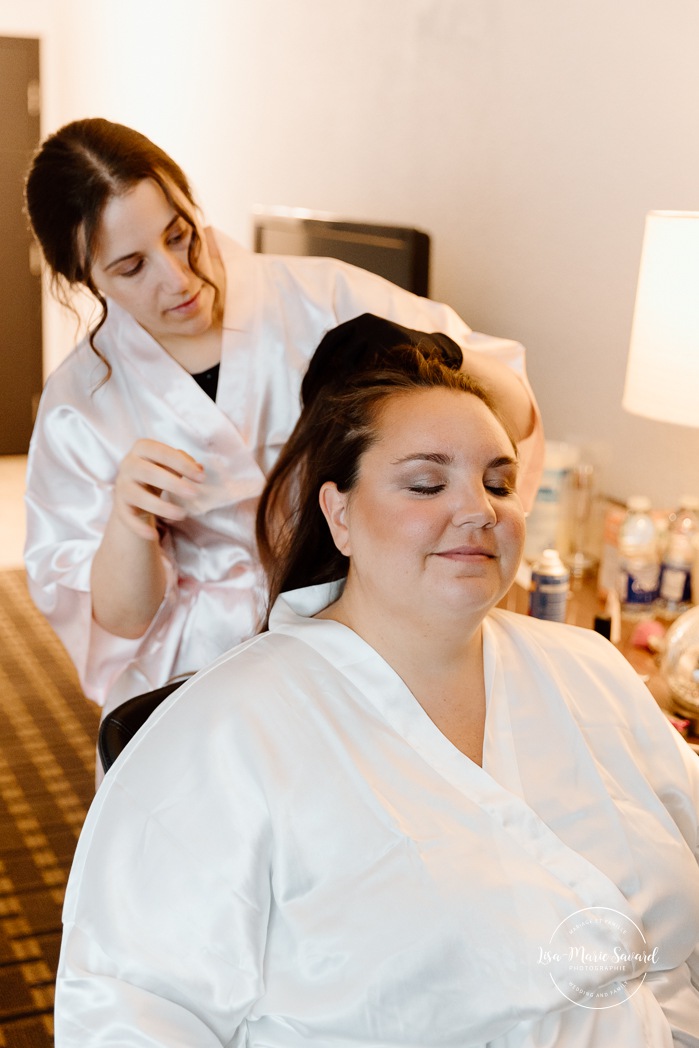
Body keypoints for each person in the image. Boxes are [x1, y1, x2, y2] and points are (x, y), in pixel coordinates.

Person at [55, 317, 699, 1046]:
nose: (478, 510)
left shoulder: (589, 669)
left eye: (499, 482)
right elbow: (127, 1012)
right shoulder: (228, 733)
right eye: (426, 483)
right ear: (339, 516)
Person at [23, 117, 543, 720]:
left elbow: (515, 412)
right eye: (132, 268)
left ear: (193, 205)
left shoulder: (318, 295)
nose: (178, 278)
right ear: (85, 278)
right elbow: (120, 617)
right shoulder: (79, 403)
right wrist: (128, 518)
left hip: (357, 624)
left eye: (180, 235)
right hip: (200, 660)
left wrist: (430, 352)